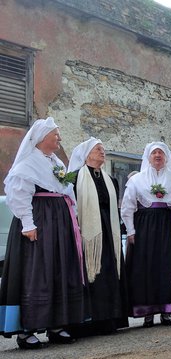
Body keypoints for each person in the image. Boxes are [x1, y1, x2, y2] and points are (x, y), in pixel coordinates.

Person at [0, 117, 85, 349]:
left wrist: (73, 219)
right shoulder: (27, 164)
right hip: (39, 223)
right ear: (41, 138)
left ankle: (56, 325)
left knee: (58, 270)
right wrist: (28, 224)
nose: (59, 138)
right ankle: (26, 330)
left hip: (59, 224)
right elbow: (18, 195)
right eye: (55, 134)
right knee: (37, 272)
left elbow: (67, 192)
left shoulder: (56, 162)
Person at [121, 142, 171, 327]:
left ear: (166, 156)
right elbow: (128, 206)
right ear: (148, 157)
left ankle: (166, 311)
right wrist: (130, 230)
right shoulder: (137, 179)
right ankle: (148, 312)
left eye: (161, 152)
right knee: (147, 268)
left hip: (170, 226)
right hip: (145, 227)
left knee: (166, 267)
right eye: (154, 153)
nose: (157, 155)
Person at [68, 138, 129, 336]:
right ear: (87, 154)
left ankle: (108, 319)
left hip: (108, 232)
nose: (102, 152)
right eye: (98, 149)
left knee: (109, 274)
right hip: (87, 232)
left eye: (103, 149)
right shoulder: (76, 178)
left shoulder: (110, 180)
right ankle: (87, 322)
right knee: (91, 274)